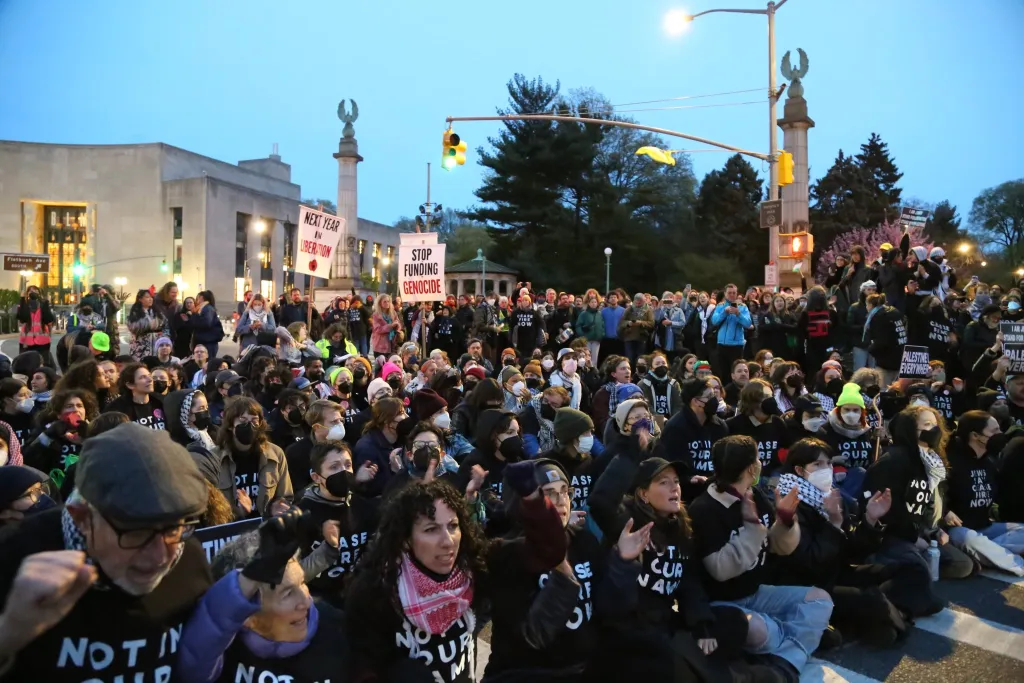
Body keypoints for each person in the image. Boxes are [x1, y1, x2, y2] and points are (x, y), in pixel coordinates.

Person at [0, 423, 211, 682]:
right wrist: (9, 633)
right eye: (136, 532)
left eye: (174, 527)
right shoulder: (14, 560)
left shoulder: (190, 559)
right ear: (82, 519)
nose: (160, 557)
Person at [688, 435, 834, 681]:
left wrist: (786, 520)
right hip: (724, 603)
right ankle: (798, 640)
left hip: (757, 593)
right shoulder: (704, 508)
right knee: (758, 630)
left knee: (820, 600)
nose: (760, 463)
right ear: (750, 468)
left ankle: (785, 661)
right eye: (757, 458)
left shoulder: (754, 494)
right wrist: (752, 527)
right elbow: (720, 569)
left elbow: (778, 547)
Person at [774, 438, 920, 646]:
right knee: (871, 601)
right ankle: (878, 616)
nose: (826, 469)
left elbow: (854, 552)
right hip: (810, 584)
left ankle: (884, 615)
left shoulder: (831, 495)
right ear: (799, 469)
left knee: (905, 569)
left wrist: (870, 520)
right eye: (817, 465)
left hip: (836, 572)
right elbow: (809, 562)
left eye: (829, 463)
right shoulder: (791, 503)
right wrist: (833, 524)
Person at [177, 508, 350, 683]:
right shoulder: (223, 651)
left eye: (303, 583)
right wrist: (248, 580)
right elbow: (194, 667)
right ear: (247, 616)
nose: (306, 601)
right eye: (287, 594)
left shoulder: (341, 631)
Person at [861, 405, 975, 583]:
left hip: (921, 533)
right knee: (919, 570)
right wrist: (914, 537)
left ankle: (916, 567)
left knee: (963, 565)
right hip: (893, 535)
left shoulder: (932, 460)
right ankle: (880, 564)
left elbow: (931, 500)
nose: (934, 429)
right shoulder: (894, 460)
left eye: (935, 424)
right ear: (910, 430)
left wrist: (935, 530)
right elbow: (889, 508)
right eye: (927, 424)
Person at [296, 441, 379, 606]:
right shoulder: (302, 515)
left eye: (348, 465)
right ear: (316, 477)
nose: (344, 471)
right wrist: (328, 549)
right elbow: (295, 574)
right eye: (334, 467)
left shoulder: (365, 508)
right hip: (317, 602)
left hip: (359, 598)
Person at [945, 412, 1024, 575]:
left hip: (985, 527)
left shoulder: (990, 462)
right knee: (967, 539)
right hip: (958, 530)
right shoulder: (950, 462)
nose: (1000, 435)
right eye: (994, 431)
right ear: (975, 436)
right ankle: (1015, 562)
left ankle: (987, 553)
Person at [208, 396, 293, 519]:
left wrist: (276, 509)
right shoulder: (215, 458)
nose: (249, 425)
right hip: (231, 530)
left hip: (267, 527)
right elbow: (211, 508)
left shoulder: (275, 454)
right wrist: (239, 513)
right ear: (231, 425)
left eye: (254, 421)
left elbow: (285, 496)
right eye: (242, 421)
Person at [657, 380, 728, 499]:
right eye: (709, 396)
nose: (714, 400)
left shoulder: (719, 426)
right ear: (695, 401)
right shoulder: (675, 428)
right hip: (687, 493)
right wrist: (688, 479)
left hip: (716, 490)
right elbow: (671, 464)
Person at [725, 379, 791, 485]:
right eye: (765, 397)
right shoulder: (734, 425)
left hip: (773, 477)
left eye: (771, 396)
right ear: (752, 400)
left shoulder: (777, 423)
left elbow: (785, 454)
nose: (770, 400)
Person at [353, 396, 406, 496]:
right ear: (386, 420)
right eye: (401, 414)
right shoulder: (366, 447)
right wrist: (395, 471)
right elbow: (371, 489)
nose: (405, 417)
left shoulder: (402, 438)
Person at [103, 362, 166, 430]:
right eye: (143, 377)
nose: (150, 380)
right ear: (130, 385)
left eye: (149, 376)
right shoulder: (116, 410)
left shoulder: (162, 401)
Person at [865, 293, 909, 388]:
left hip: (886, 362)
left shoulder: (879, 316)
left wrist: (870, 349)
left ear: (871, 305)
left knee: (884, 391)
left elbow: (881, 340)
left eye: (867, 305)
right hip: (900, 357)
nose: (866, 308)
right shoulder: (894, 311)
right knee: (898, 390)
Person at [710, 284, 752, 380]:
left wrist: (738, 314)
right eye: (729, 293)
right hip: (722, 344)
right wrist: (724, 312)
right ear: (725, 293)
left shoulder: (742, 307)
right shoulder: (720, 306)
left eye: (734, 293)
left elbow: (748, 323)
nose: (732, 295)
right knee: (723, 373)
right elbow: (714, 321)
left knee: (736, 372)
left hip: (736, 345)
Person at [638, 351, 682, 424]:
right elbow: (646, 405)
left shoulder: (674, 384)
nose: (661, 365)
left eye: (663, 363)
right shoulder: (643, 384)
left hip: (672, 423)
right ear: (651, 368)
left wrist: (673, 421)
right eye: (657, 364)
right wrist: (660, 420)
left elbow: (678, 405)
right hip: (651, 423)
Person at [127, 288, 167, 361]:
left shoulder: (157, 312)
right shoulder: (135, 313)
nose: (150, 299)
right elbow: (133, 327)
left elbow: (165, 325)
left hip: (156, 344)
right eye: (147, 297)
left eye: (151, 297)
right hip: (141, 346)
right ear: (140, 299)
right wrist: (151, 324)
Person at [618, 293, 654, 364]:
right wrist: (628, 323)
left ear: (644, 301)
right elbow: (621, 323)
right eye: (636, 301)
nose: (638, 303)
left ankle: (640, 373)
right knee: (629, 358)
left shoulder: (648, 310)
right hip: (629, 337)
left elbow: (651, 324)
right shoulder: (629, 309)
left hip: (642, 337)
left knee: (640, 359)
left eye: (640, 302)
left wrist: (641, 323)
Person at [0, 378, 36, 446]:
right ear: (7, 400)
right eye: (22, 395)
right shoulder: (2, 422)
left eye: (28, 394)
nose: (27, 398)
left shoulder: (32, 417)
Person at [192, 290, 224, 359]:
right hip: (206, 341)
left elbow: (206, 323)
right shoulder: (203, 308)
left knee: (207, 363)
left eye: (197, 298)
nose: (196, 300)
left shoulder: (207, 308)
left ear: (201, 297)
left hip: (208, 342)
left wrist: (195, 315)